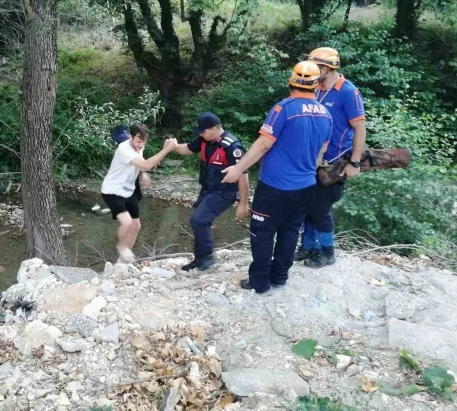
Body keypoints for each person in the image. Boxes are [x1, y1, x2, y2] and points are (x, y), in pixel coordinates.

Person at [221, 62, 332, 294]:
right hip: (306, 186)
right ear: (317, 85)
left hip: (275, 186)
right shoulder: (326, 114)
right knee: (290, 232)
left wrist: (237, 169)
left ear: (291, 81)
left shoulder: (284, 109)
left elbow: (263, 144)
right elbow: (322, 152)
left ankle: (260, 283)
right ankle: (280, 278)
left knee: (262, 234)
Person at [295, 47, 366, 268]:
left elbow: (360, 128)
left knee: (320, 209)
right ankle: (307, 247)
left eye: (315, 67)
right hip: (312, 160)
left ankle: (326, 251)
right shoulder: (315, 88)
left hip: (336, 161)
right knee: (307, 205)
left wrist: (355, 161)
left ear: (325, 68)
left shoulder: (347, 92)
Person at [170, 112, 250, 271]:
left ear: (214, 129)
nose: (200, 134)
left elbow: (243, 175)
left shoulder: (232, 146)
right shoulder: (204, 139)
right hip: (207, 189)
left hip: (224, 192)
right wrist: (174, 146)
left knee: (199, 220)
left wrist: (243, 203)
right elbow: (187, 149)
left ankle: (206, 258)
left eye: (203, 131)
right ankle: (200, 258)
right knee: (198, 220)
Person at [101, 122, 177, 263]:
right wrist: (166, 150)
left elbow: (142, 162)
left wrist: (143, 173)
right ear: (130, 137)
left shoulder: (138, 145)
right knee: (127, 222)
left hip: (130, 190)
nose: (141, 145)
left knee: (136, 226)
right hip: (113, 190)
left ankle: (122, 263)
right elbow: (147, 164)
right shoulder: (124, 149)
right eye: (138, 141)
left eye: (144, 141)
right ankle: (122, 246)